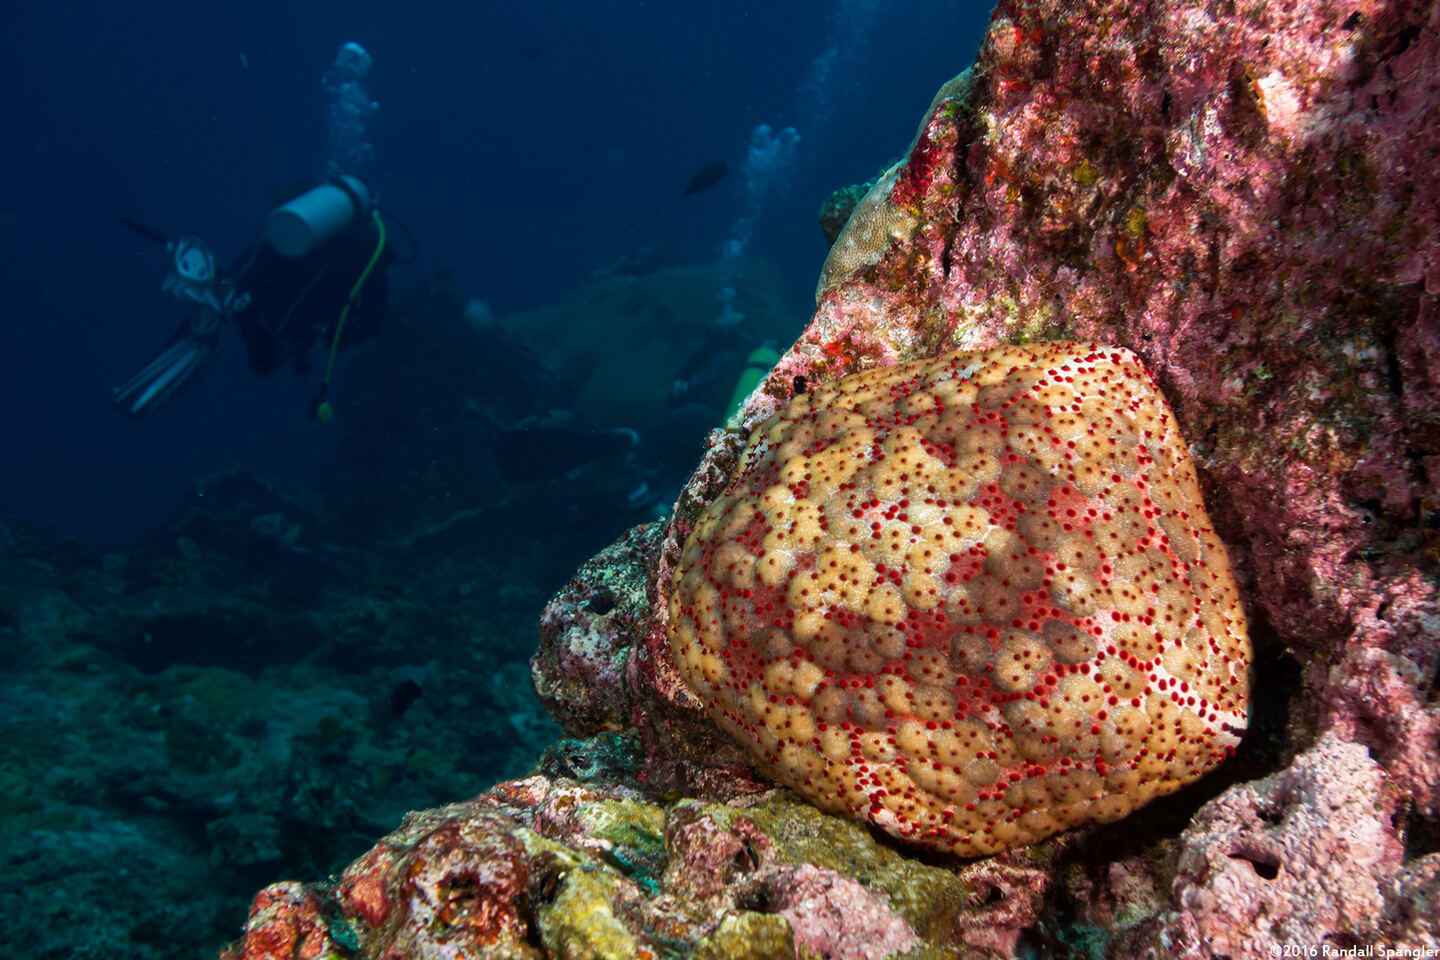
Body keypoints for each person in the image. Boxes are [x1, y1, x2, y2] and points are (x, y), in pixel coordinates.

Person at [114, 175, 393, 420]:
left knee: (247, 300)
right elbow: (371, 321)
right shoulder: (369, 247)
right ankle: (230, 299)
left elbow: (262, 249)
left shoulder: (311, 215)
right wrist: (329, 339)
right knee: (264, 359)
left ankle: (215, 287)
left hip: (264, 282)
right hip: (291, 322)